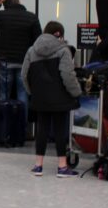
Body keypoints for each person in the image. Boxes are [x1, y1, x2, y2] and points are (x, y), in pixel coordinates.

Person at [22, 21, 82, 178]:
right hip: (60, 97)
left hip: (40, 97)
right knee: (60, 129)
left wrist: (32, 92)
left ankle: (38, 165)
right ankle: (62, 167)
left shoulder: (31, 51)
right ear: (60, 35)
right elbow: (67, 75)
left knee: (42, 128)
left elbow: (24, 75)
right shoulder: (63, 50)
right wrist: (76, 92)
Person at [0, 0, 42, 120]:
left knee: (4, 95)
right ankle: (21, 129)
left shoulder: (1, 16)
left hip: (5, 61)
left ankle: (4, 128)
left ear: (5, 3)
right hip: (24, 61)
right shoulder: (31, 17)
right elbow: (38, 40)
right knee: (23, 94)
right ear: (18, 1)